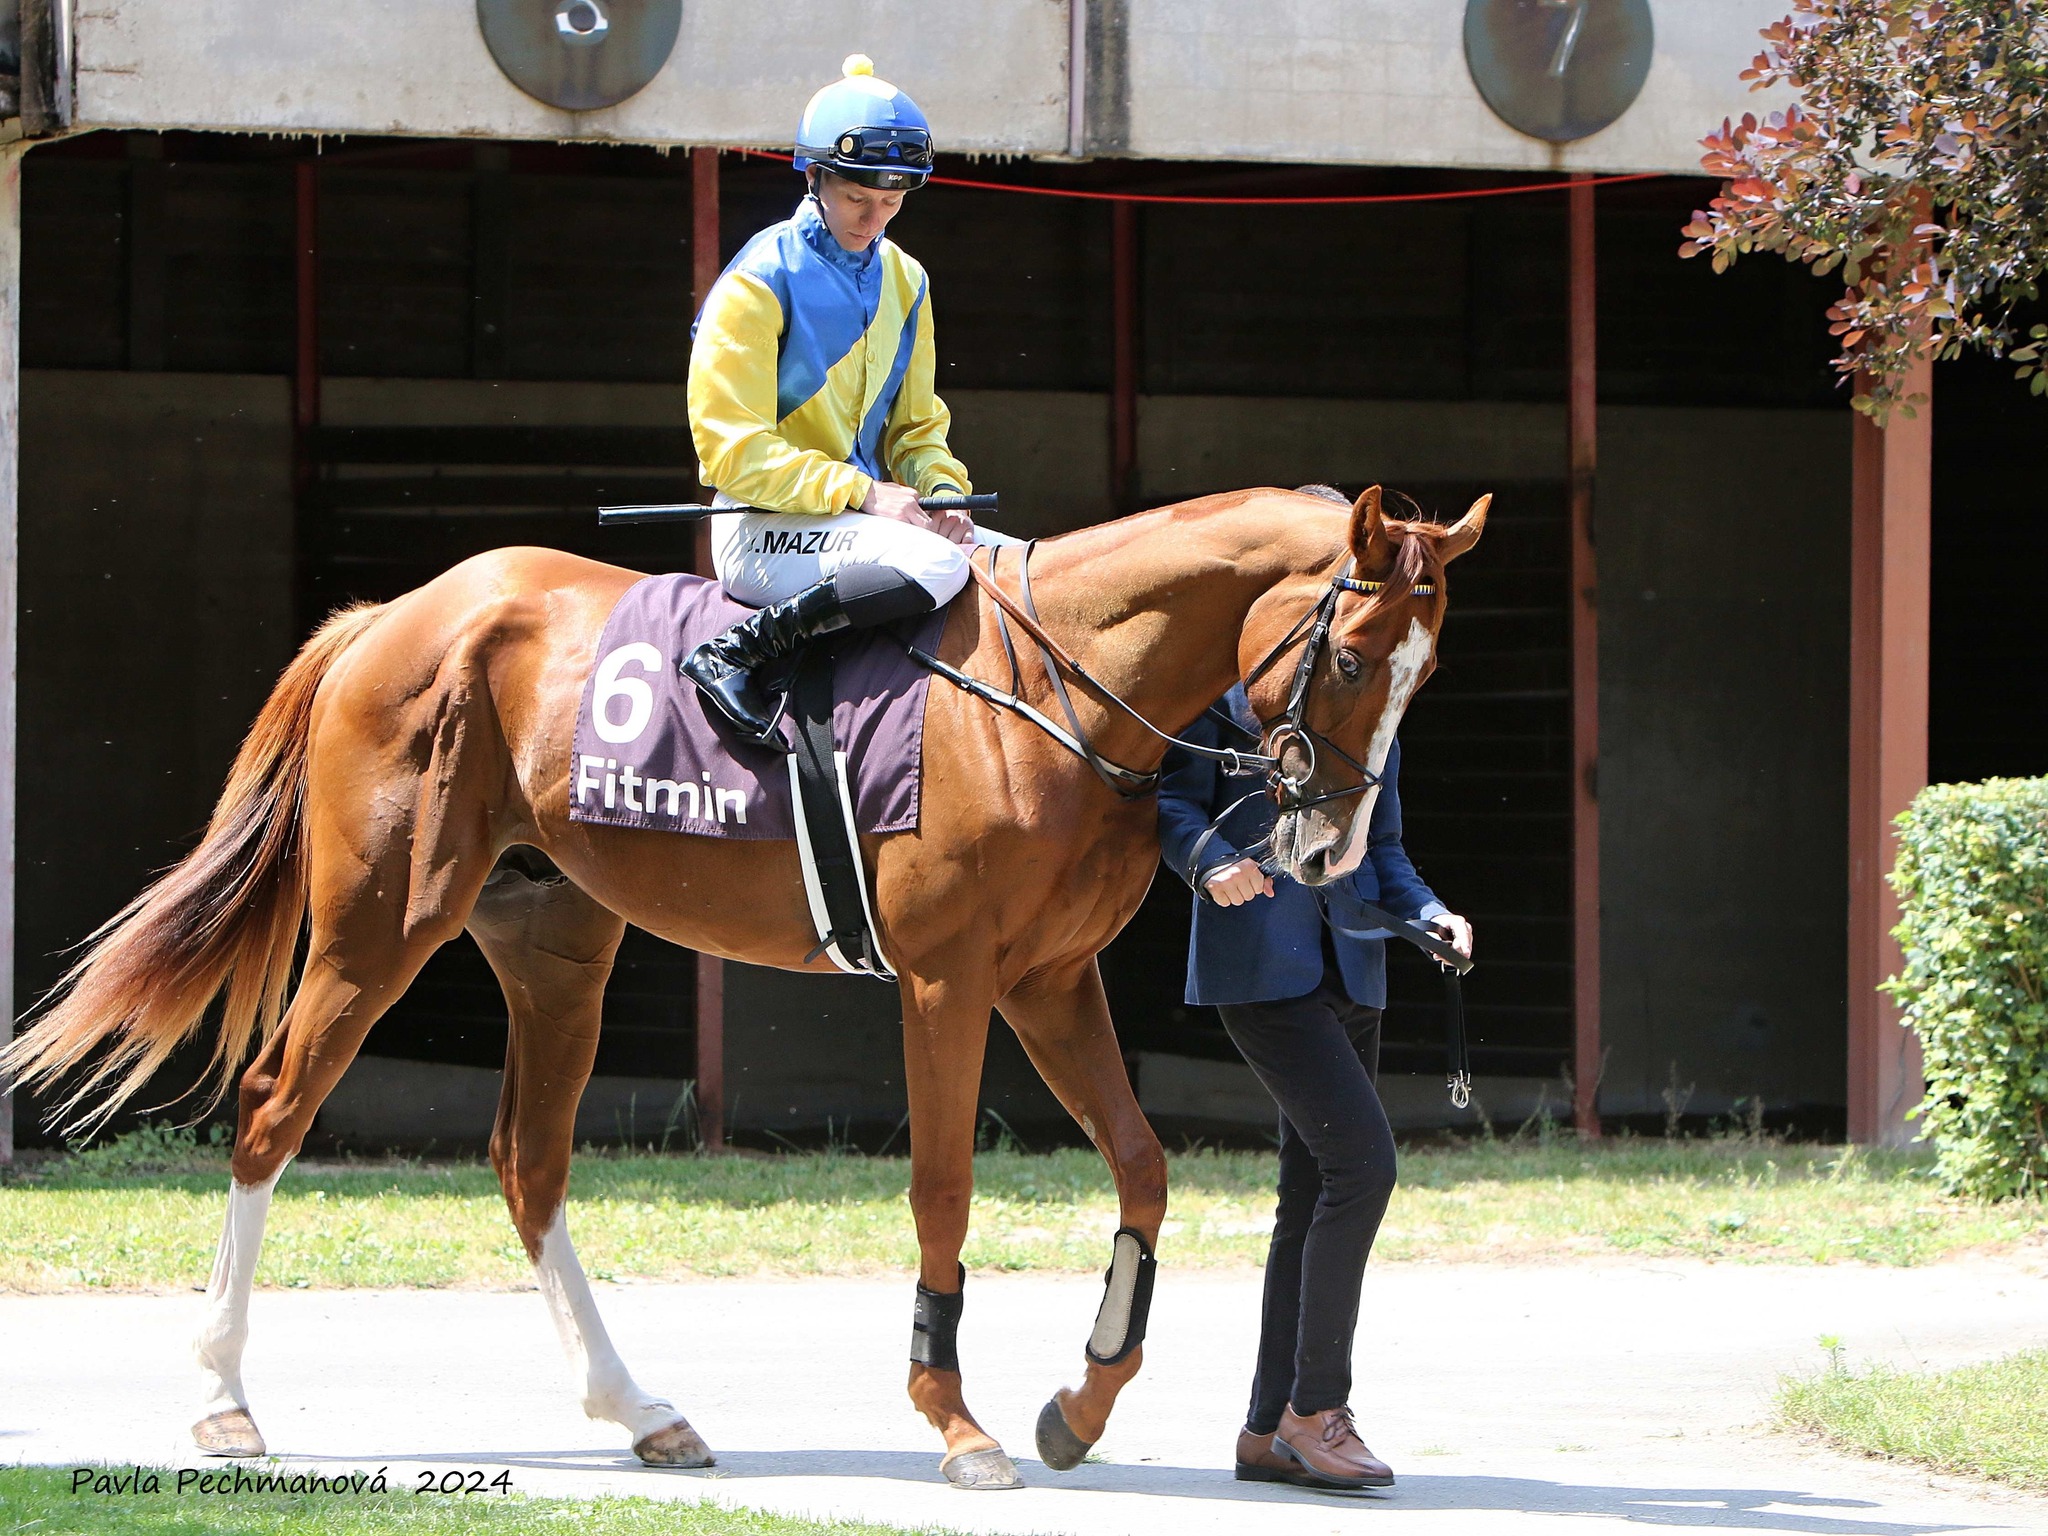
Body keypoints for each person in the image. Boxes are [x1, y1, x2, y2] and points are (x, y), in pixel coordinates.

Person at [1157, 686, 1473, 1492]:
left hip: (1355, 970)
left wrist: (1430, 912)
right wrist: (1209, 865)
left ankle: (1267, 1430)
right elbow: (1171, 806)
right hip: (1262, 977)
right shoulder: (1219, 702)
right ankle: (1316, 1410)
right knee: (1364, 1169)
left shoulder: (1373, 718)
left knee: (1309, 1194)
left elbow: (1387, 848)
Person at [682, 53, 1020, 741]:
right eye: (857, 200)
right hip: (759, 528)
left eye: (891, 203)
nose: (873, 219)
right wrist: (864, 494)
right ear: (816, 177)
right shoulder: (757, 281)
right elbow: (729, 453)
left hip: (870, 528)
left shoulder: (909, 280)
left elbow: (917, 430)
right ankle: (736, 653)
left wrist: (943, 495)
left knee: (1024, 567)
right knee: (930, 561)